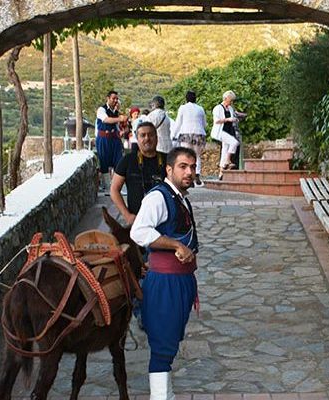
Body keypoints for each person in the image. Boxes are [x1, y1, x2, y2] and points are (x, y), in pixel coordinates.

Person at [130, 147, 199, 400]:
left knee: (168, 347)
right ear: (169, 169)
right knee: (162, 348)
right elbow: (138, 231)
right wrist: (175, 245)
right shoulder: (158, 197)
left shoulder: (180, 197)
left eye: (192, 166)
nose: (189, 172)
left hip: (180, 282)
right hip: (165, 284)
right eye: (183, 166)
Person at [111, 122, 166, 225]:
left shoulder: (167, 160)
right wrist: (127, 215)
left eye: (150, 135)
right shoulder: (127, 160)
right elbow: (114, 189)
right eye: (143, 135)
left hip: (164, 219)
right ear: (137, 139)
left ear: (156, 137)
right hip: (138, 220)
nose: (147, 138)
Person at [171, 91, 207, 186]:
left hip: (186, 133)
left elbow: (178, 122)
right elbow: (204, 124)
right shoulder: (200, 109)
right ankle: (197, 175)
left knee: (186, 156)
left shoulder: (183, 108)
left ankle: (188, 177)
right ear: (196, 98)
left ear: (186, 99)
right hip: (199, 133)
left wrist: (173, 135)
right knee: (197, 156)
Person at [96, 91, 128, 191]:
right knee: (104, 162)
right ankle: (108, 187)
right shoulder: (101, 109)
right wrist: (119, 118)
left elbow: (118, 126)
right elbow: (106, 120)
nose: (115, 101)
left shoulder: (116, 112)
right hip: (104, 139)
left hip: (114, 139)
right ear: (108, 98)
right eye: (113, 98)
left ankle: (117, 187)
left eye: (116, 99)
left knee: (118, 162)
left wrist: (123, 130)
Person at [210, 90, 240, 180]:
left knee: (225, 150)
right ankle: (228, 160)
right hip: (220, 131)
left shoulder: (230, 108)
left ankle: (221, 171)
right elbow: (217, 121)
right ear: (226, 98)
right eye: (230, 100)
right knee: (234, 143)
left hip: (228, 131)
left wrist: (237, 117)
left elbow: (234, 114)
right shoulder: (218, 108)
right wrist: (228, 119)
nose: (231, 102)